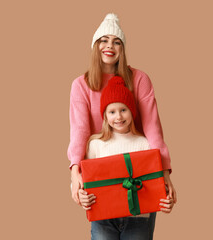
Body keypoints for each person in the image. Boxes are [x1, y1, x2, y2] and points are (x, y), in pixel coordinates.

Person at [68, 12, 177, 214]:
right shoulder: (81, 85)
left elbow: (153, 129)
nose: (109, 46)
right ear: (95, 46)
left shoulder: (139, 79)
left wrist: (165, 173)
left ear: (123, 49)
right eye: (104, 40)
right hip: (102, 175)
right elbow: (79, 132)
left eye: (116, 42)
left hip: (138, 175)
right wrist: (75, 174)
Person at [78, 75, 173, 239]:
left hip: (138, 219)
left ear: (132, 111)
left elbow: (155, 182)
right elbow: (85, 180)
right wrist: (82, 195)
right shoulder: (95, 144)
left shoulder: (145, 143)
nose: (119, 117)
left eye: (123, 110)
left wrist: (165, 199)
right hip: (103, 219)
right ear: (105, 116)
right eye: (112, 112)